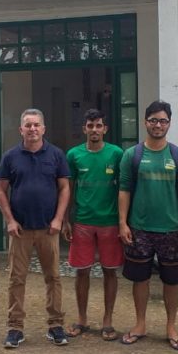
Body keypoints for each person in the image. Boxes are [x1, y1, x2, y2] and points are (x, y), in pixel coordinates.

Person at [118, 100, 178, 350]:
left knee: (171, 280)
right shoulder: (133, 155)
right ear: (145, 122)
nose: (157, 125)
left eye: (162, 121)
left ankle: (171, 326)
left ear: (169, 124)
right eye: (153, 120)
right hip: (139, 228)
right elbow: (124, 190)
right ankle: (140, 324)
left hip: (170, 229)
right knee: (140, 279)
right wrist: (123, 224)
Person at [0, 108, 71, 348]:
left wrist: (59, 219)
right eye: (28, 125)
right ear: (21, 129)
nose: (32, 129)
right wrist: (10, 220)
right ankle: (15, 328)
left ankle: (55, 325)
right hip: (21, 230)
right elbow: (0, 191)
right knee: (16, 279)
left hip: (49, 229)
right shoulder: (10, 157)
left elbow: (65, 189)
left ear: (43, 129)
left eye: (36, 125)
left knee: (54, 278)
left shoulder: (56, 155)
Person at [62, 109, 125, 341]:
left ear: (105, 129)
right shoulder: (74, 155)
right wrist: (66, 219)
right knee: (82, 272)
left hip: (109, 222)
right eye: (90, 126)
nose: (94, 130)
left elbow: (124, 189)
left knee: (110, 271)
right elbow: (67, 188)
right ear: (84, 129)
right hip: (83, 222)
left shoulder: (117, 154)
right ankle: (82, 319)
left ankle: (108, 321)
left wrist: (123, 221)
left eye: (99, 126)